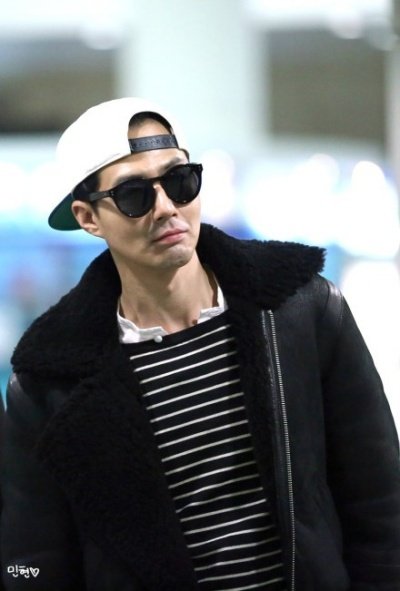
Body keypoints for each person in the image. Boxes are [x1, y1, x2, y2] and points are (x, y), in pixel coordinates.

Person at [1, 97, 399, 591]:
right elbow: (30, 563)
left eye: (180, 180)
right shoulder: (48, 383)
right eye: (133, 195)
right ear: (88, 217)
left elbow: (380, 502)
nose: (167, 207)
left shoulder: (301, 310)